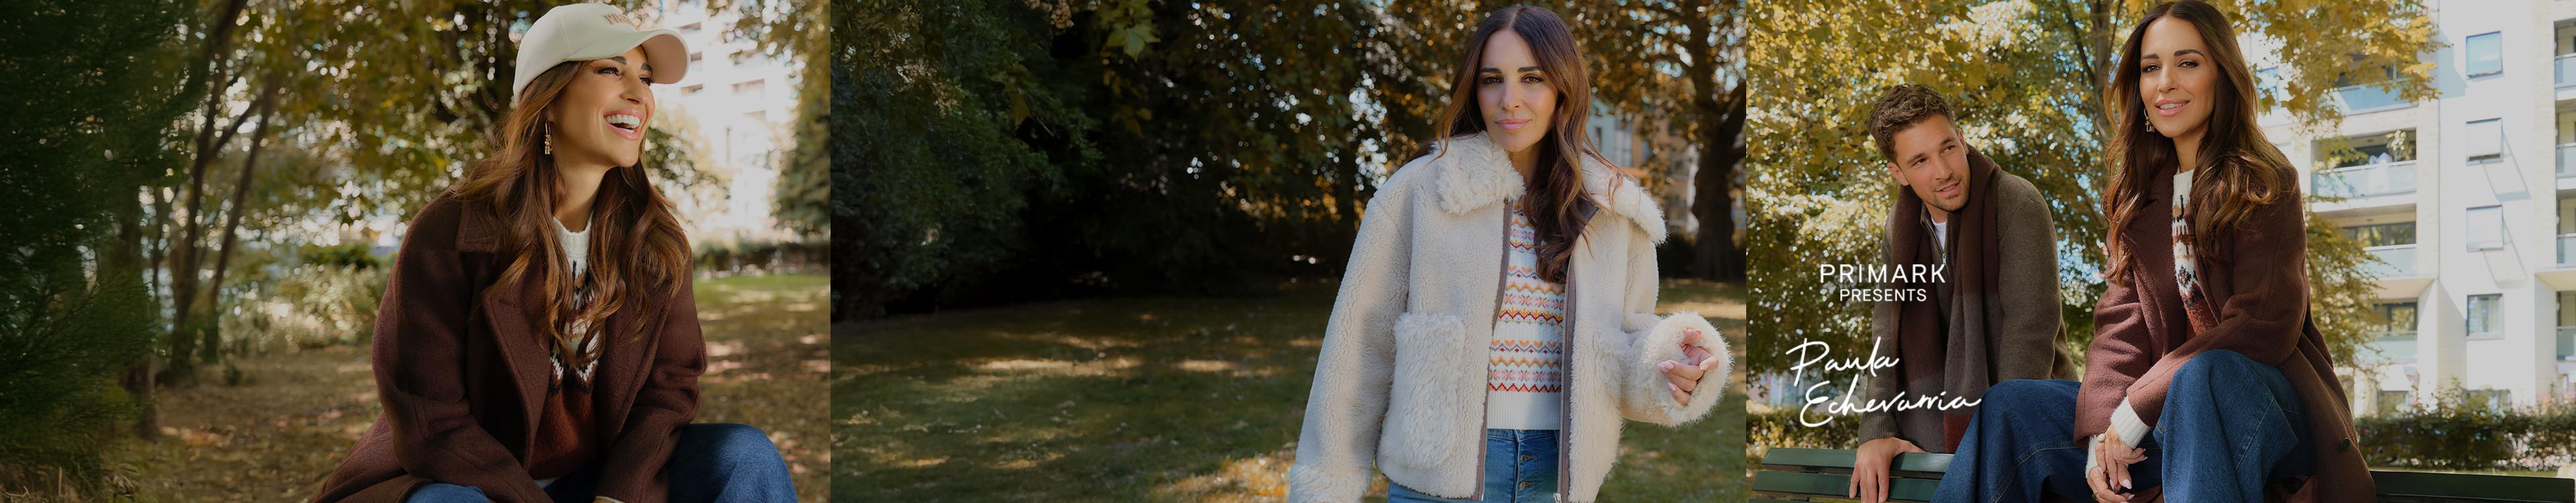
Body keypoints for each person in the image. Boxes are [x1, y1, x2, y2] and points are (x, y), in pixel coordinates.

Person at [311, 5, 795, 502]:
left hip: (594, 480)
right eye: (610, 69)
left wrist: (619, 496)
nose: (638, 93)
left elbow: (669, 390)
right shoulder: (449, 233)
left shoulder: (657, 243)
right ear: (547, 96)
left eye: (645, 77)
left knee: (747, 455)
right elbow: (431, 422)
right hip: (461, 480)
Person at [1286, 6, 1730, 503]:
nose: (1509, 100)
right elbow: (1358, 350)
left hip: (1556, 478)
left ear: (1563, 87)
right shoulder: (1420, 193)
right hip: (1437, 481)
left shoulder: (1614, 211)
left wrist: (1673, 364)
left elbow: (1622, 355)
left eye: (1532, 78)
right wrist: (1327, 485)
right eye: (1492, 79)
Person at [1931, 2, 2371, 501]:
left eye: (2187, 63)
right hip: (2168, 412)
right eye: (2149, 68)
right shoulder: (2137, 199)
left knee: (2203, 378)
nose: (2164, 82)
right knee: (2011, 405)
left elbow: (2263, 324)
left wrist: (2138, 405)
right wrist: (2102, 432)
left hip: (2269, 409)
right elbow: (2119, 329)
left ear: (2221, 74)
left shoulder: (2263, 181)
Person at [1845, 83, 2063, 503]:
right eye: (1920, 161)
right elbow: (1885, 336)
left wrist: (1987, 449)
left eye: (1947, 148)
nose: (1943, 171)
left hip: (2025, 429)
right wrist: (1877, 431)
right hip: (1931, 441)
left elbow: (2030, 335)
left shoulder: (2014, 201)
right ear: (1898, 173)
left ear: (1962, 140)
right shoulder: (1900, 228)